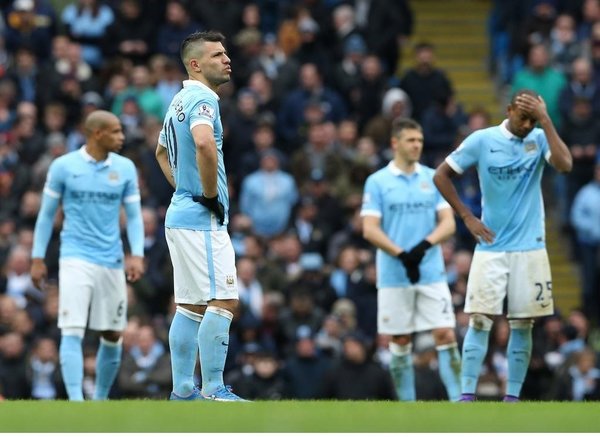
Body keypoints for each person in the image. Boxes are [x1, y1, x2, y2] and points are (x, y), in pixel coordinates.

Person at [433, 89, 573, 402]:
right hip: (491, 247)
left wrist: (545, 119)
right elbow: (441, 175)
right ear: (508, 110)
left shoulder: (538, 139)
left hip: (531, 248)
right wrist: (467, 217)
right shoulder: (482, 140)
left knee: (522, 324)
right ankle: (466, 395)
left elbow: (564, 164)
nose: (526, 125)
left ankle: (512, 398)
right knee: (480, 319)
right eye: (523, 118)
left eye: (531, 119)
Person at [155, 30, 246, 401]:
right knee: (224, 300)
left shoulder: (177, 100)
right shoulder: (203, 99)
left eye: (226, 53)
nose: (227, 59)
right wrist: (208, 195)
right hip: (200, 217)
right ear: (195, 64)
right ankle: (213, 389)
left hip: (180, 214)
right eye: (217, 55)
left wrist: (182, 188)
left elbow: (161, 152)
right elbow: (205, 142)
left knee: (191, 306)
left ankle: (181, 392)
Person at [30, 110, 145, 401]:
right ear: (97, 133)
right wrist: (37, 257)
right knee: (72, 328)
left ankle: (100, 401)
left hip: (112, 258)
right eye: (116, 131)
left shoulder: (126, 168)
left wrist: (138, 254)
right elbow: (45, 215)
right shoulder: (63, 167)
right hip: (75, 257)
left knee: (112, 333)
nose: (122, 137)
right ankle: (75, 402)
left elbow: (133, 216)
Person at [361, 118, 461, 401]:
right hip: (394, 274)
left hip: (431, 271)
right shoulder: (378, 181)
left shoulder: (432, 177)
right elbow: (370, 228)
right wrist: (402, 255)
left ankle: (459, 403)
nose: (417, 145)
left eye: (419, 140)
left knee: (445, 334)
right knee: (400, 340)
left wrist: (421, 248)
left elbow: (448, 223)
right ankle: (407, 407)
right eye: (411, 140)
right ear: (395, 143)